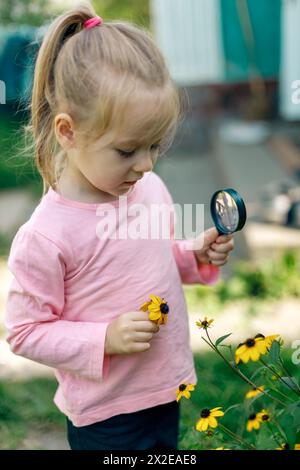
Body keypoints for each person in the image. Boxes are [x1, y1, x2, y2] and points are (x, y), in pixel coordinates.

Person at [5, 3, 234, 451]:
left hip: (165, 387)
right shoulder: (46, 236)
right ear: (68, 132)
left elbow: (151, 258)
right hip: (106, 413)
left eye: (154, 145)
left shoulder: (147, 188)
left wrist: (193, 256)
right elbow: (24, 331)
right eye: (128, 150)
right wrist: (104, 338)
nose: (146, 164)